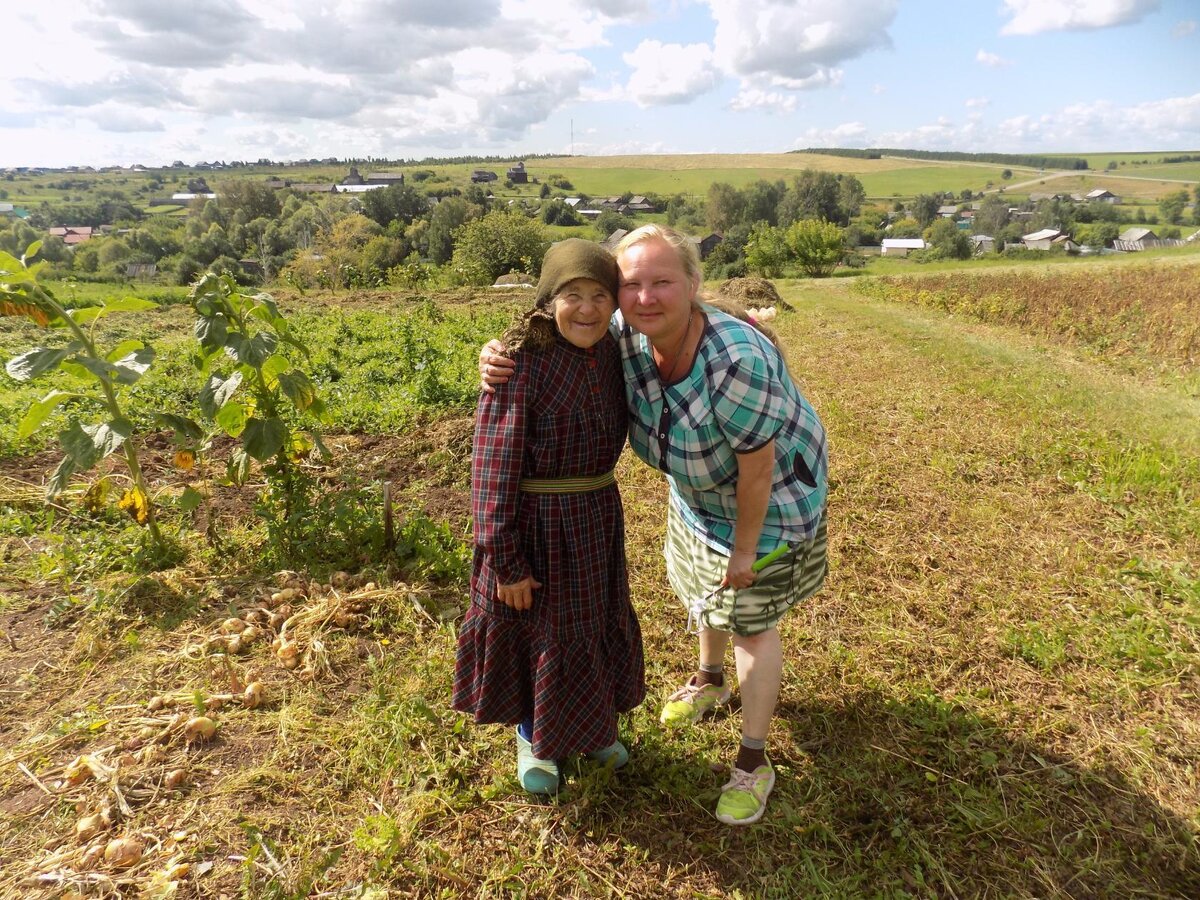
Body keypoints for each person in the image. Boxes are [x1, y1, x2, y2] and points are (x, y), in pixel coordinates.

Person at [481, 224, 827, 825]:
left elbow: (757, 473)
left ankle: (753, 761)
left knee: (747, 618)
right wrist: (494, 352)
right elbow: (556, 320)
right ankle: (699, 683)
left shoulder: (733, 360)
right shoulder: (614, 334)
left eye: (662, 282)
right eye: (631, 284)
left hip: (763, 503)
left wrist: (744, 554)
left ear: (693, 285)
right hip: (675, 501)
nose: (643, 297)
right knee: (690, 598)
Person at [453, 238, 645, 796]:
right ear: (547, 299)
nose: (586, 308)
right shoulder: (519, 361)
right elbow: (490, 471)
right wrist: (504, 563)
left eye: (599, 295)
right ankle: (534, 736)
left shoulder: (612, 348)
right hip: (536, 527)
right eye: (572, 294)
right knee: (543, 631)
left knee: (591, 623)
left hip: (593, 515)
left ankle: (591, 729)